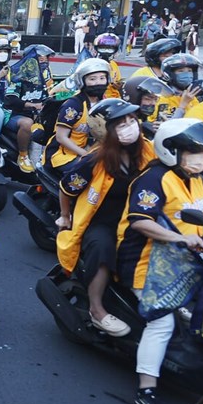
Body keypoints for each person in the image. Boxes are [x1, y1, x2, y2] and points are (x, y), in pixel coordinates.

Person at [116, 118, 203, 404]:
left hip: (186, 257)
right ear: (173, 150)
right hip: (146, 260)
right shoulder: (153, 178)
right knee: (163, 322)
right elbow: (140, 221)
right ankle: (147, 391)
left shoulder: (194, 178)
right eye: (194, 151)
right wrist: (179, 238)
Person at [56, 98, 155, 337]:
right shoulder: (94, 160)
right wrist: (65, 216)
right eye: (121, 124)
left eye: (132, 120)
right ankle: (97, 310)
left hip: (139, 219)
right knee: (102, 249)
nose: (131, 126)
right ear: (105, 131)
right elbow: (66, 188)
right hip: (102, 223)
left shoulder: (150, 151)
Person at [45, 58, 110, 172]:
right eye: (92, 79)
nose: (98, 82)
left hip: (92, 151)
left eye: (102, 78)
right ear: (82, 81)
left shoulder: (105, 102)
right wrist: (85, 155)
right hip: (64, 155)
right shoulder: (74, 105)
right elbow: (61, 137)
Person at [4, 44, 55, 173]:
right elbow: (11, 100)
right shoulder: (18, 76)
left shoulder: (45, 77)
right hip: (14, 115)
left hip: (39, 115)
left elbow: (51, 94)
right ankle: (23, 156)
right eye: (41, 59)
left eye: (46, 59)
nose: (44, 62)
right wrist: (32, 105)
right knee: (27, 123)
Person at [156, 53, 203, 121]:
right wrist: (183, 104)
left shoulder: (196, 96)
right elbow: (167, 127)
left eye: (190, 71)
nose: (187, 74)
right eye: (181, 71)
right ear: (170, 74)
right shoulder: (164, 97)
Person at [93, 33, 123, 99]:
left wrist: (118, 86)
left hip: (115, 98)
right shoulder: (92, 65)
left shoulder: (113, 64)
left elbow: (118, 81)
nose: (106, 51)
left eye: (109, 49)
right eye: (103, 48)